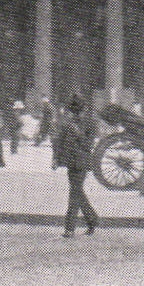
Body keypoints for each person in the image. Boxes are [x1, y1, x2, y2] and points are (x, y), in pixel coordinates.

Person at [52, 96, 98, 237]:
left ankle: (69, 228)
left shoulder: (90, 124)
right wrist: (55, 159)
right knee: (77, 192)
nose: (76, 114)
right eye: (74, 111)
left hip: (82, 163)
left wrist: (78, 134)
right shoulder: (67, 124)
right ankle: (92, 219)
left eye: (78, 111)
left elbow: (88, 145)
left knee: (74, 193)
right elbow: (58, 142)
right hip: (71, 163)